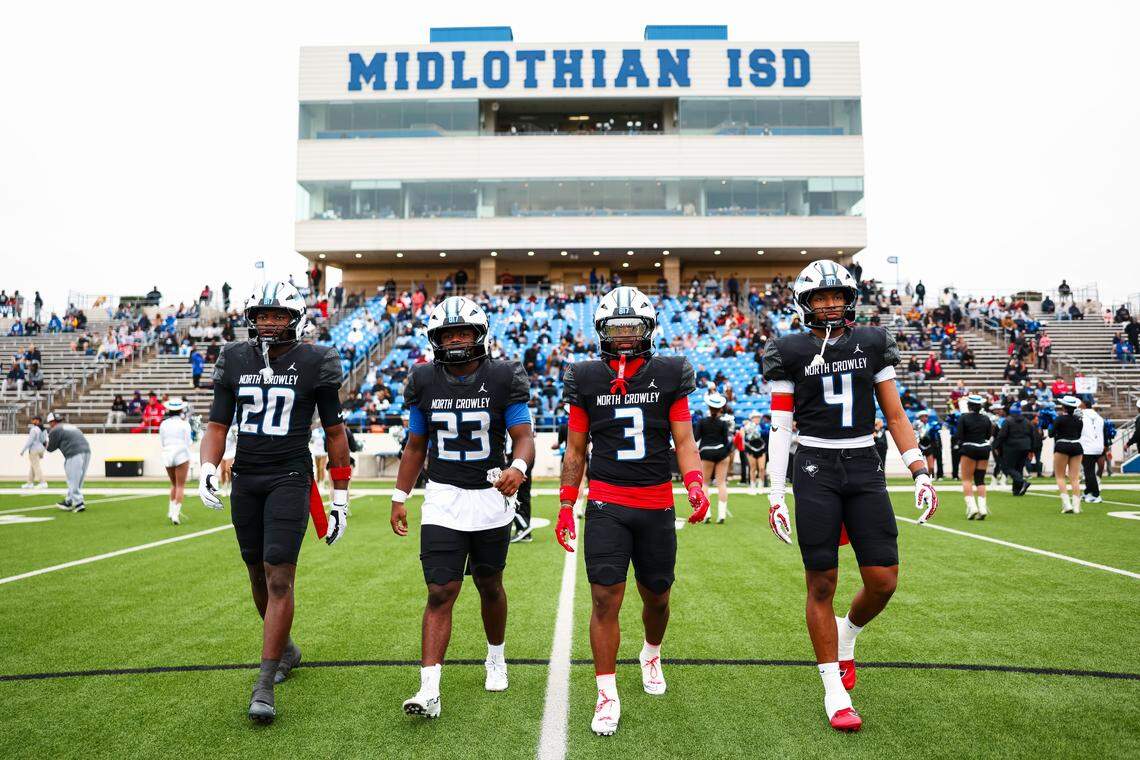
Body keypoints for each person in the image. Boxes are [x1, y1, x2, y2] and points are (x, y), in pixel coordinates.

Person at [763, 260, 938, 733]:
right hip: (816, 464)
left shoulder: (873, 341)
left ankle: (847, 633)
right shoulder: (789, 349)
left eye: (836, 295)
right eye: (819, 297)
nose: (829, 304)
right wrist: (776, 493)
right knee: (821, 583)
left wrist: (919, 469)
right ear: (805, 302)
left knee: (883, 581)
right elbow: (781, 427)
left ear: (850, 297)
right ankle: (833, 690)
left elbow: (896, 414)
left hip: (865, 461)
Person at [555, 285, 708, 736]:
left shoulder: (669, 373)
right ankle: (607, 692)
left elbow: (683, 439)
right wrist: (566, 505)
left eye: (632, 328)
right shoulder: (585, 377)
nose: (624, 337)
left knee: (657, 596)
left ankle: (651, 652)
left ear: (648, 330)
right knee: (605, 598)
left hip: (657, 499)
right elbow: (576, 448)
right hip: (607, 501)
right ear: (601, 331)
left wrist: (695, 485)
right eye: (615, 329)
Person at [197, 280, 352, 724]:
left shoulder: (317, 360)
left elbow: (335, 432)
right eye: (262, 315)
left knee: (278, 573)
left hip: (290, 475)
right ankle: (285, 649)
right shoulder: (234, 358)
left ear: (295, 319)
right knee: (256, 573)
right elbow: (216, 423)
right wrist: (209, 466)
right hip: (246, 476)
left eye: (277, 315)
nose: (268, 322)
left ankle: (264, 682)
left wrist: (339, 496)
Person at [389, 296, 534, 720]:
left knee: (489, 585)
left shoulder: (504, 376)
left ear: (478, 335)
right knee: (440, 591)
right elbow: (416, 446)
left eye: (463, 332)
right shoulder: (424, 381)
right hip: (443, 497)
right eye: (447, 333)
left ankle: (496, 656)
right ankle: (429, 688)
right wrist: (400, 496)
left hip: (490, 496)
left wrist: (519, 466)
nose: (455, 339)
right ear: (434, 339)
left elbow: (523, 435)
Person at [696, 392, 733, 523]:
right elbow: (726, 441)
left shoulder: (701, 422)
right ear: (720, 408)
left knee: (704, 483)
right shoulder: (723, 424)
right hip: (721, 452)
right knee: (721, 483)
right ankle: (722, 515)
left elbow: (696, 438)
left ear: (708, 406)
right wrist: (727, 452)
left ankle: (707, 514)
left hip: (706, 453)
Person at [45, 413, 91, 512]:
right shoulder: (70, 426)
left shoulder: (55, 430)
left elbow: (50, 448)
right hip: (86, 451)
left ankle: (79, 503)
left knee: (72, 479)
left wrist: (44, 442)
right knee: (78, 480)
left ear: (52, 422)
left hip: (73, 453)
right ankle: (69, 501)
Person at [958, 395, 994, 519]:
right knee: (980, 479)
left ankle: (972, 507)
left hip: (969, 448)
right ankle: (982, 508)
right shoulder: (986, 418)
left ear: (969, 406)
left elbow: (960, 435)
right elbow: (989, 435)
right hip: (984, 448)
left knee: (967, 479)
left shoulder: (964, 418)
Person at [159, 398, 193, 524]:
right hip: (181, 454)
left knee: (173, 484)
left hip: (167, 454)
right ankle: (175, 514)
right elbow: (188, 441)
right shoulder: (184, 424)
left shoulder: (164, 424)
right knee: (180, 485)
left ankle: (170, 510)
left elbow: (162, 441)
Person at [1052, 396, 1085, 513]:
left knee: (1060, 476)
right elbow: (1079, 435)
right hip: (1077, 446)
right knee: (1075, 478)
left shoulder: (1059, 419)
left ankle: (1067, 505)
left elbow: (1051, 433)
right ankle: (1076, 507)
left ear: (1063, 407)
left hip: (1062, 445)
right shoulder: (1079, 420)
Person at [994, 403, 1033, 496]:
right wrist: (1032, 449)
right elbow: (1032, 435)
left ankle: (1022, 481)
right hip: (1025, 447)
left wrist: (996, 446)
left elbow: (1002, 435)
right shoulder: (1027, 421)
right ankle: (1016, 491)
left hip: (1011, 447)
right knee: (1019, 468)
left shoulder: (1008, 421)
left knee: (1006, 467)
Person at [1079, 399, 1104, 504]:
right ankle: (1088, 491)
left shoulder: (1082, 416)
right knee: (1089, 471)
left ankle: (1096, 494)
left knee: (1089, 472)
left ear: (1084, 405)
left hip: (1087, 447)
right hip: (1098, 446)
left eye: (1080, 405)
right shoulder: (1098, 417)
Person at [19, 415, 49, 489]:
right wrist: (44, 449)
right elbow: (45, 440)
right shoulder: (44, 429)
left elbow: (30, 441)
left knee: (36, 466)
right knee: (33, 466)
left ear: (38, 420)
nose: (32, 421)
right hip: (41, 449)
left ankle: (43, 482)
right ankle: (30, 483)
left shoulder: (34, 429)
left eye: (34, 419)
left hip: (34, 450)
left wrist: (23, 450)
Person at [742, 410, 767, 495]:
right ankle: (752, 485)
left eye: (758, 417)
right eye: (755, 417)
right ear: (752, 418)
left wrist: (759, 431)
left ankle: (761, 485)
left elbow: (767, 432)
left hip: (761, 448)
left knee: (762, 468)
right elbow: (745, 436)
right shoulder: (747, 426)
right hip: (751, 448)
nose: (757, 419)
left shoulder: (762, 425)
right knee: (752, 468)